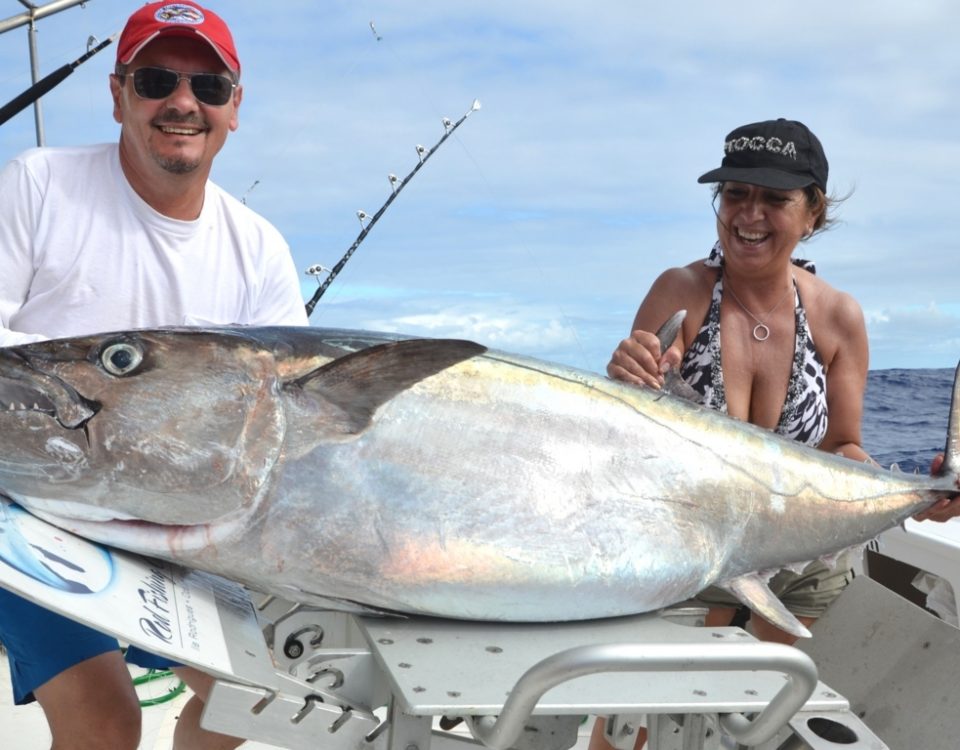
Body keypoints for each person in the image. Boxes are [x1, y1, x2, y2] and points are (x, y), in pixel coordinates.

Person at [591, 118, 960, 750]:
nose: (749, 214)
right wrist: (634, 379)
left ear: (812, 212)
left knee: (750, 729)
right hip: (690, 556)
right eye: (735, 193)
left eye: (775, 199)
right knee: (635, 727)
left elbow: (842, 447)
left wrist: (919, 494)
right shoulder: (683, 291)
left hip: (801, 563)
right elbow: (639, 418)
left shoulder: (838, 316)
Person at [0, 2, 307, 748]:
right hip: (33, 507)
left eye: (209, 87)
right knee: (106, 721)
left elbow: (293, 419)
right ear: (117, 94)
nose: (182, 102)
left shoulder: (259, 247)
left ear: (236, 109)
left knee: (256, 701)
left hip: (177, 525)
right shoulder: (37, 184)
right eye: (157, 79)